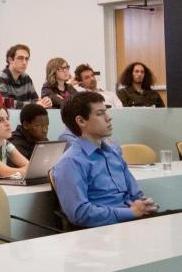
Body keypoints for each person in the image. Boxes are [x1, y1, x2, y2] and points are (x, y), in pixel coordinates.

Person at [52, 92, 160, 227]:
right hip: (107, 231)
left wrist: (144, 204)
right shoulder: (71, 162)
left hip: (134, 222)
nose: (108, 118)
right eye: (100, 113)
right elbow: (80, 214)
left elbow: (136, 194)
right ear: (81, 121)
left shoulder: (113, 152)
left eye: (106, 112)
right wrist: (130, 213)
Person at [0, 44, 52, 109]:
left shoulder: (26, 78)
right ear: (10, 60)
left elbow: (36, 100)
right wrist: (34, 104)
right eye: (20, 58)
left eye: (27, 59)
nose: (24, 62)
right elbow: (4, 103)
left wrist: (45, 102)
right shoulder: (0, 77)